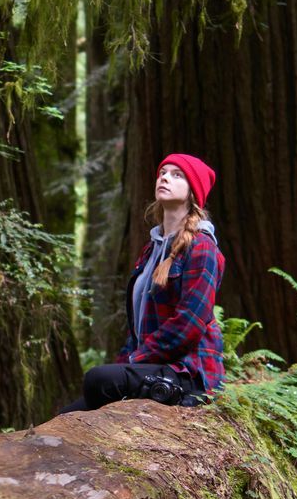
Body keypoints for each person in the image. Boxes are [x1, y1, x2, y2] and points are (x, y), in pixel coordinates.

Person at [63, 153, 226, 412]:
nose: (164, 177)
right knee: (68, 412)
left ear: (193, 192)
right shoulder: (151, 250)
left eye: (176, 174)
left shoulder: (202, 248)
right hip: (152, 365)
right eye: (163, 172)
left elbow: (189, 325)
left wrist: (133, 360)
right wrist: (125, 362)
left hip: (188, 375)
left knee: (99, 379)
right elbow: (138, 328)